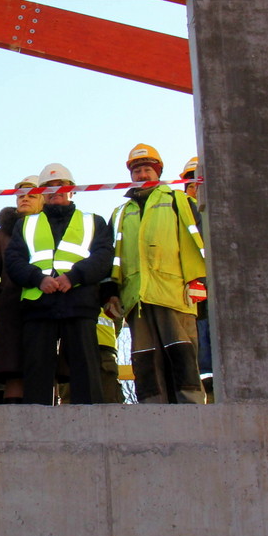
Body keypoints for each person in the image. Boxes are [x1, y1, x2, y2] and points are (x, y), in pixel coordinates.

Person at [5, 163, 114, 405]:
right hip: (38, 305)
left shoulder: (93, 221)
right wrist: (38, 279)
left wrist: (74, 277)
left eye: (60, 185)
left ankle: (90, 418)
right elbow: (13, 260)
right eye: (49, 187)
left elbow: (104, 256)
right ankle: (37, 420)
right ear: (42, 193)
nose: (55, 190)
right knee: (37, 369)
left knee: (86, 367)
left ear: (72, 190)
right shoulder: (26, 225)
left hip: (79, 303)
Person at [106, 143, 207, 404]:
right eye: (137, 171)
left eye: (147, 169)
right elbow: (112, 256)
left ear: (158, 172)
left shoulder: (178, 201)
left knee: (182, 353)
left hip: (174, 293)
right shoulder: (121, 213)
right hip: (136, 299)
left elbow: (199, 241)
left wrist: (199, 279)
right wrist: (111, 292)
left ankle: (191, 408)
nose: (142, 175)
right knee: (145, 359)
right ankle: (151, 412)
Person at [0, 175, 41, 403]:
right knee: (13, 369)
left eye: (31, 196)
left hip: (45, 305)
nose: (24, 199)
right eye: (20, 196)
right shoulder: (2, 235)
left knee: (43, 366)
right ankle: (14, 418)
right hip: (11, 309)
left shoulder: (52, 229)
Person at [181, 154, 213, 400]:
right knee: (200, 347)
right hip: (195, 288)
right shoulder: (181, 211)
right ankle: (207, 393)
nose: (195, 188)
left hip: (215, 287)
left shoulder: (216, 212)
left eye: (197, 183)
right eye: (190, 184)